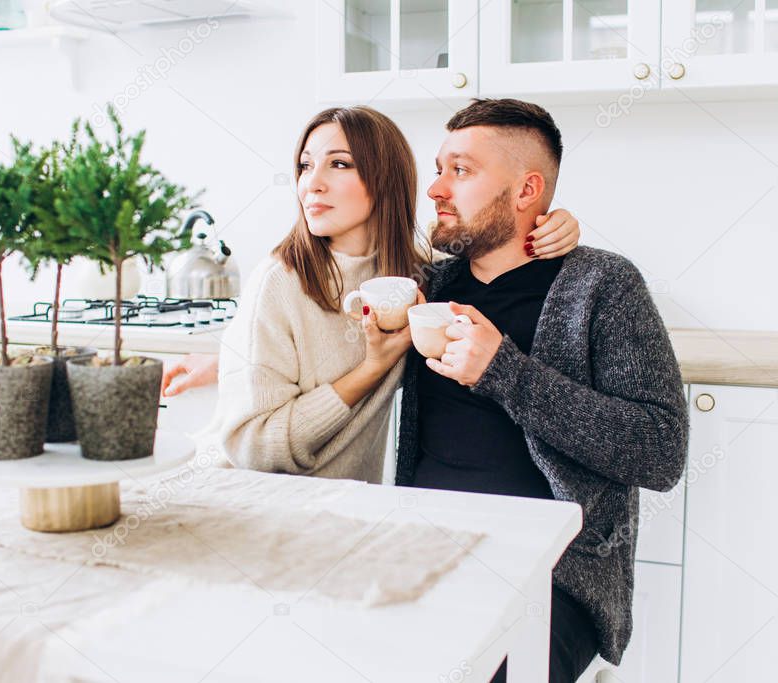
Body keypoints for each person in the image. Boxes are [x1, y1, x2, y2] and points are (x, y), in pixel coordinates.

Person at [394, 99, 689, 682]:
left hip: (554, 574)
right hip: (422, 551)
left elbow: (661, 451)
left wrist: (504, 371)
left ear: (527, 189)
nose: (435, 189)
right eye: (438, 168)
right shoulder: (428, 283)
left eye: (462, 170)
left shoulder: (603, 284)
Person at [187, 106, 581, 483]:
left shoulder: (419, 274)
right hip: (241, 498)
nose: (312, 182)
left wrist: (558, 223)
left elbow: (492, 237)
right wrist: (370, 369)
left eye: (338, 164)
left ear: (385, 178)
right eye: (305, 165)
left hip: (345, 507)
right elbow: (254, 451)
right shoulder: (279, 280)